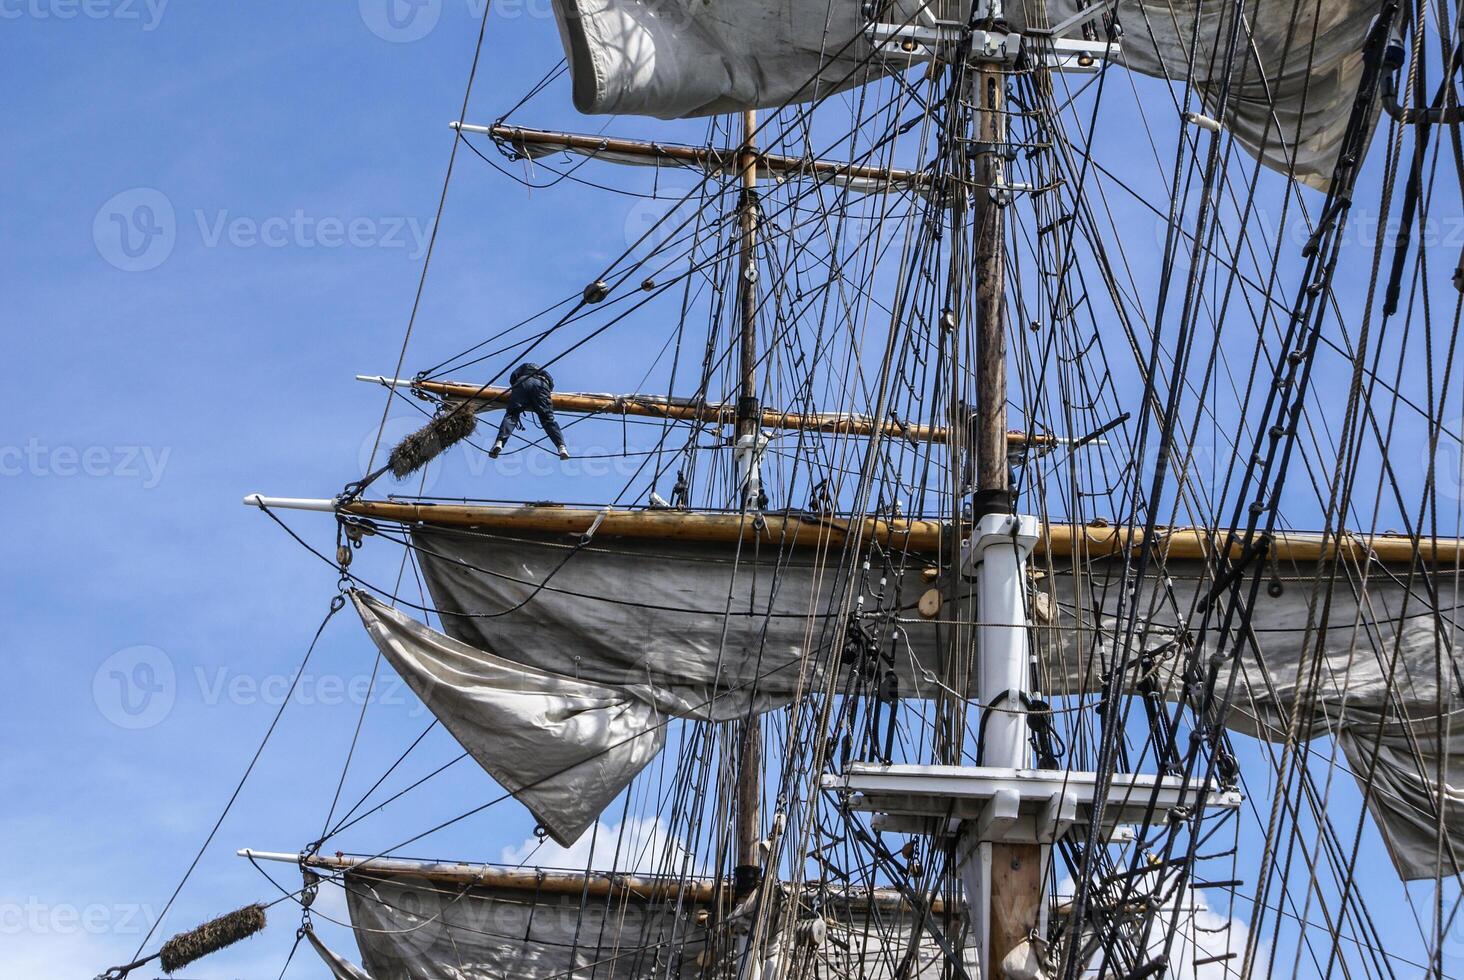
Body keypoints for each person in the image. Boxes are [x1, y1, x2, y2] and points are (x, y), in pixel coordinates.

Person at [489, 362, 569, 459]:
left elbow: (513, 377)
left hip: (522, 382)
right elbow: (551, 385)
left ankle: (499, 442)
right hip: (542, 385)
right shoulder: (544, 372)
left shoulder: (523, 366)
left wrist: (518, 391)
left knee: (512, 414)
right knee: (547, 419)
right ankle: (561, 447)